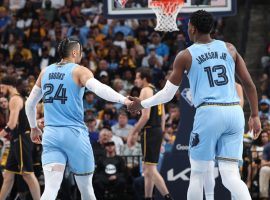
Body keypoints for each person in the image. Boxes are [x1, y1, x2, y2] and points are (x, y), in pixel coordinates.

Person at [127, 10, 261, 200]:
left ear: (192, 28)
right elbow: (249, 84)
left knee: (197, 174)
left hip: (209, 112)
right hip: (234, 112)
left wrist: (143, 103)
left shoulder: (185, 55)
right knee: (231, 176)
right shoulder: (230, 48)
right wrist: (254, 115)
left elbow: (167, 93)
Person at [25, 37, 131, 200]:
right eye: (80, 52)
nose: (81, 55)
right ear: (75, 52)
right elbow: (99, 88)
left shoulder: (45, 71)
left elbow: (30, 104)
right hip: (74, 135)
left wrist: (33, 127)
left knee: (51, 189)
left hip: (51, 135)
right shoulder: (79, 70)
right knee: (86, 189)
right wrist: (123, 100)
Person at [127, 67, 173, 200]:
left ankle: (168, 197)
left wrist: (133, 132)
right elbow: (163, 115)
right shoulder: (157, 91)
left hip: (150, 130)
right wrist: (161, 133)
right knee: (147, 169)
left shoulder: (145, 90)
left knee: (150, 170)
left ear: (144, 79)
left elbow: (145, 116)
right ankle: (148, 197)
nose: (135, 80)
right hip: (157, 130)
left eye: (137, 77)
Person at [0, 76, 40, 200]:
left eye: (2, 87)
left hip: (22, 139)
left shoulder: (15, 99)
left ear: (9, 86)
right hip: (17, 139)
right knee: (8, 176)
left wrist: (0, 134)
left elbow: (11, 124)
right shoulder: (18, 98)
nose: (1, 90)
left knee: (27, 174)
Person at [203, 83, 245, 200]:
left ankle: (236, 198)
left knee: (232, 169)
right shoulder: (212, 84)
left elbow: (240, 103)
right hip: (214, 124)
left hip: (231, 125)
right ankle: (209, 198)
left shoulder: (236, 86)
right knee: (208, 165)